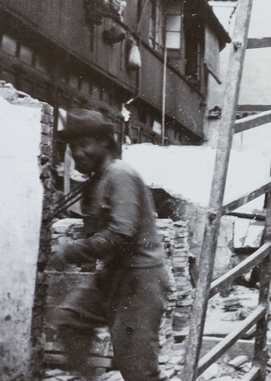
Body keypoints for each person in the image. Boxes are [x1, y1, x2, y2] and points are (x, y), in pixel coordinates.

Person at [49, 109, 169, 381]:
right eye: (72, 146)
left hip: (140, 279)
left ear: (104, 142)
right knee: (70, 320)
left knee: (137, 368)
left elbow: (120, 233)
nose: (77, 153)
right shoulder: (98, 179)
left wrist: (69, 252)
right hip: (114, 275)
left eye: (84, 144)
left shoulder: (119, 175)